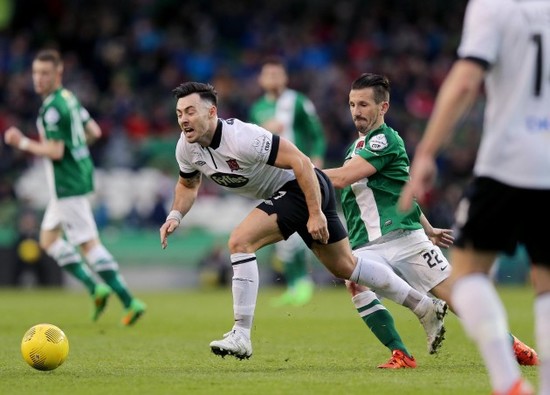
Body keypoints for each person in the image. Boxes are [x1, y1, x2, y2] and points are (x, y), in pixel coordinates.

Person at [160, 81, 447, 361]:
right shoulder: (187, 148)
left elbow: (299, 161)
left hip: (302, 186)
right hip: (294, 194)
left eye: (190, 111)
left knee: (240, 241)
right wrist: (175, 215)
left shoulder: (242, 137)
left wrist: (315, 212)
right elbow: (188, 185)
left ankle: (241, 334)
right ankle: (424, 307)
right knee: (347, 266)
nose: (183, 119)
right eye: (179, 113)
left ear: (212, 113)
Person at [324, 72, 538, 370]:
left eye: (363, 104)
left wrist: (303, 170)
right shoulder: (356, 147)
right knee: (356, 284)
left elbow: (345, 177)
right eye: (351, 104)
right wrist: (429, 226)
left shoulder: (384, 139)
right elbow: (399, 187)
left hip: (403, 237)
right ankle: (402, 354)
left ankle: (513, 346)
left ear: (383, 107)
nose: (356, 111)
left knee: (458, 297)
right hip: (367, 243)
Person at [398, 0, 550, 393]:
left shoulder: (493, 6)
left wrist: (428, 152)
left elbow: (466, 81)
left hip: (508, 163)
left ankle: (508, 382)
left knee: (465, 275)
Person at [3, 48, 146, 326]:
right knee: (48, 240)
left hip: (67, 183)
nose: (39, 79)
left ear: (58, 74)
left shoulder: (52, 109)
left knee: (88, 245)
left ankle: (129, 300)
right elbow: (94, 132)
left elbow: (55, 151)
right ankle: (95, 289)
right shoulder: (69, 99)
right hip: (76, 177)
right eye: (35, 73)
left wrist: (21, 142)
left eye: (45, 73)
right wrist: (78, 152)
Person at [249, 57, 327, 307]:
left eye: (276, 74)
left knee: (292, 232)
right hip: (271, 177)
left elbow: (317, 134)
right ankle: (296, 285)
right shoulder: (257, 108)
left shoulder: (299, 102)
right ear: (261, 80)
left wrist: (316, 161)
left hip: (298, 174)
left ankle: (302, 283)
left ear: (285, 78)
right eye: (267, 74)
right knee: (284, 238)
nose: (272, 78)